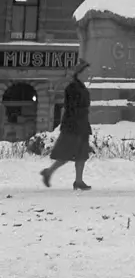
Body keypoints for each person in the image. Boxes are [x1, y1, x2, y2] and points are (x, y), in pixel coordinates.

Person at [41, 62, 93, 191]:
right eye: (86, 71)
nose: (88, 74)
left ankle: (79, 181)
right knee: (66, 154)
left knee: (82, 154)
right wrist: (76, 120)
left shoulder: (81, 87)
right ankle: (48, 172)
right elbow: (71, 107)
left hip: (82, 124)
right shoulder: (72, 88)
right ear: (79, 73)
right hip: (73, 125)